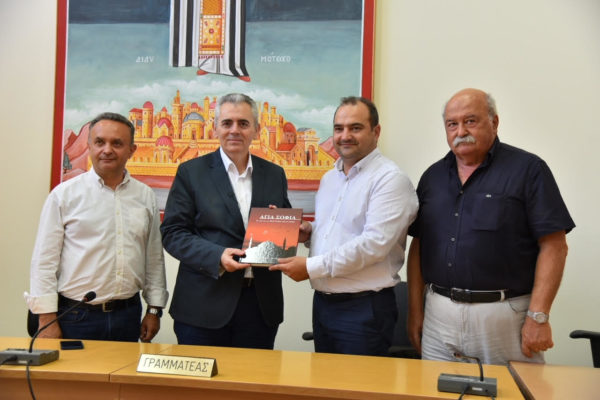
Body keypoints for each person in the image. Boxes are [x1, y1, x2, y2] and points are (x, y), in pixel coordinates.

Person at [407, 88, 575, 365]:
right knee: (435, 388)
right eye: (452, 124)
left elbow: (554, 245)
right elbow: (419, 246)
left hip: (504, 317)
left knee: (511, 388)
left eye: (470, 121)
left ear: (494, 122)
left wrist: (538, 316)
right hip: (438, 316)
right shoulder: (432, 177)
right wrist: (416, 311)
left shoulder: (529, 170)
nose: (461, 131)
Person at [271, 96, 419, 356]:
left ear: (376, 132)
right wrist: (308, 232)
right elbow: (339, 230)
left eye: (355, 128)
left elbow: (373, 245)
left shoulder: (390, 180)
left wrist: (310, 267)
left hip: (364, 309)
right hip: (323, 305)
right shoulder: (330, 178)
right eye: (339, 128)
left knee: (358, 381)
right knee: (325, 380)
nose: (345, 136)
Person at [161, 93, 291, 349]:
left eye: (243, 123)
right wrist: (217, 256)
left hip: (260, 308)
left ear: (256, 130)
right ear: (215, 128)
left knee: (253, 375)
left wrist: (293, 229)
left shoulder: (275, 174)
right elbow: (173, 233)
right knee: (202, 377)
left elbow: (281, 230)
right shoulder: (191, 173)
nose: (235, 130)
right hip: (202, 307)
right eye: (227, 123)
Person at [26, 112, 168, 342]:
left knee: (124, 368)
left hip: (128, 315)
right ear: (89, 145)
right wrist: (46, 319)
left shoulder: (145, 196)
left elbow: (153, 258)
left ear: (132, 150)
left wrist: (154, 309)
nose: (107, 150)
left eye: (117, 143)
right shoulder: (64, 195)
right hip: (75, 316)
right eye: (100, 142)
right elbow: (44, 262)